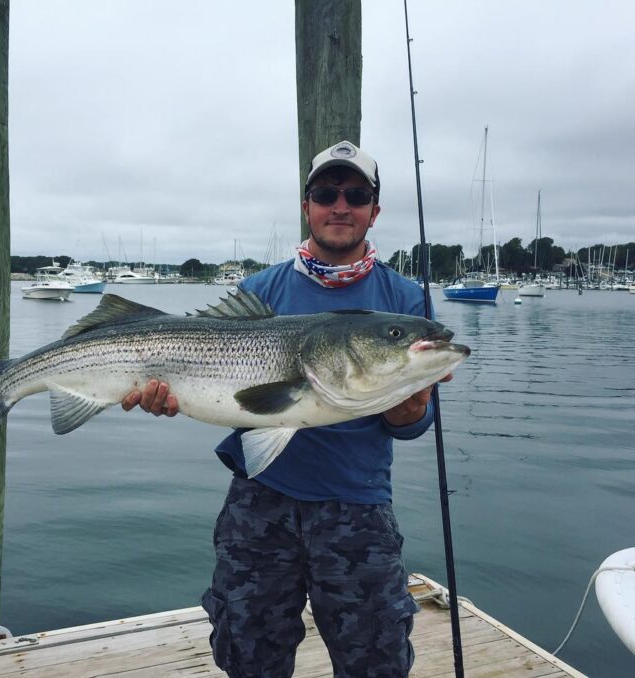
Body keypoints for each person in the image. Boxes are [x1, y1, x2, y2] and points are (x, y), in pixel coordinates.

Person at [122, 140, 450, 677]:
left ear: (374, 209)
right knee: (249, 654)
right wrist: (162, 397)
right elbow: (230, 401)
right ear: (307, 206)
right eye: (326, 193)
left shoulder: (406, 303)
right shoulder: (260, 292)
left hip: (357, 505)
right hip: (260, 501)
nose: (339, 206)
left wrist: (410, 409)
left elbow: (412, 425)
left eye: (355, 194)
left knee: (376, 658)